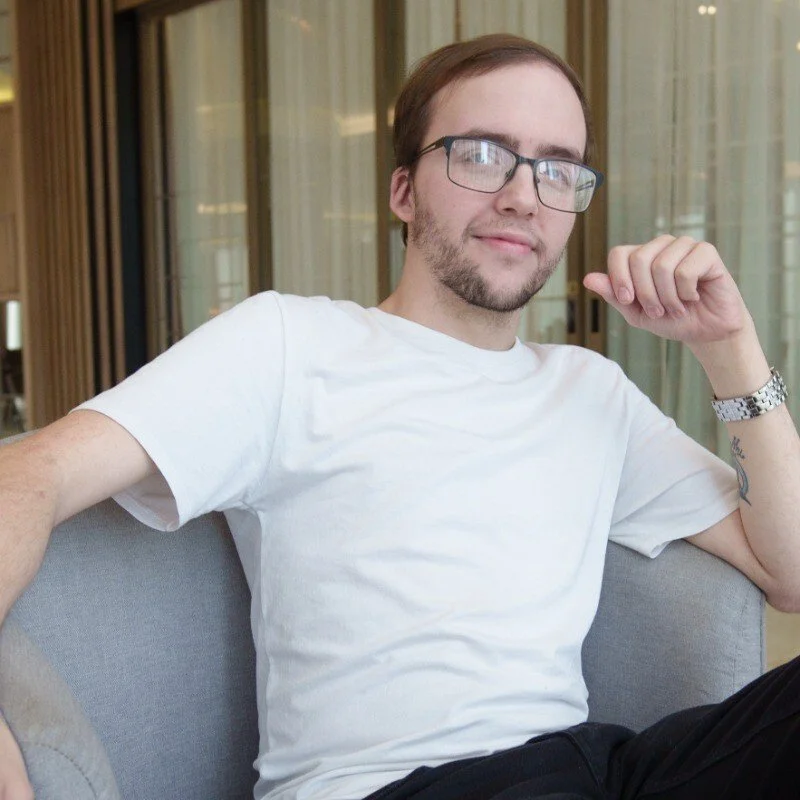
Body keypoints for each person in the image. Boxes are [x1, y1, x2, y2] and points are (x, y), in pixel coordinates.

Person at [1, 32, 800, 800]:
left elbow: (788, 573)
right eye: (482, 154)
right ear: (403, 191)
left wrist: (729, 345)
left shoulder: (591, 392)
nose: (523, 195)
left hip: (592, 764)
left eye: (558, 169)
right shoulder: (289, 345)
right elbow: (30, 473)